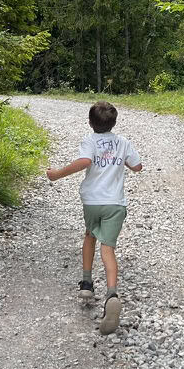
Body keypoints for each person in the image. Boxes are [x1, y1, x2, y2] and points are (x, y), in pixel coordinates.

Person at [46, 100, 143, 335]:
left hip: (92, 202)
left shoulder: (90, 141)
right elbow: (137, 166)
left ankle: (87, 283)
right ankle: (112, 294)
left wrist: (57, 174)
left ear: (90, 122)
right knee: (108, 248)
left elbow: (85, 161)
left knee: (89, 236)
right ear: (114, 122)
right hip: (115, 205)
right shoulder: (123, 143)